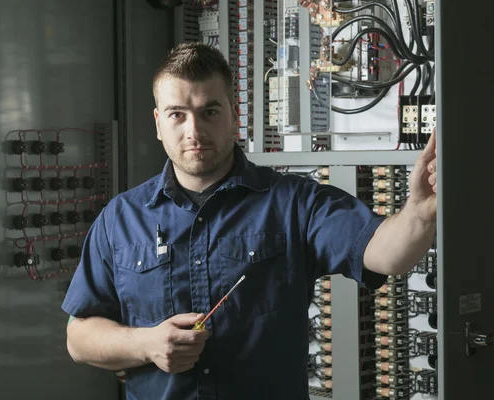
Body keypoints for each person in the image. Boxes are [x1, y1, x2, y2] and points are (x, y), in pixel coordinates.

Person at [62, 42, 437, 400]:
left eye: (209, 111)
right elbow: (79, 338)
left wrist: (419, 212)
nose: (194, 131)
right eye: (178, 114)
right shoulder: (120, 219)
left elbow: (386, 254)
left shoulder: (294, 203)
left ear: (234, 115)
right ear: (159, 123)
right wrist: (146, 344)